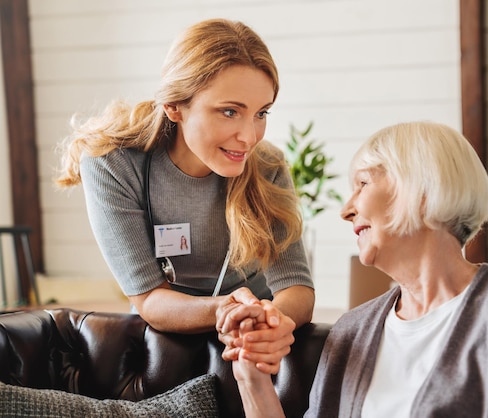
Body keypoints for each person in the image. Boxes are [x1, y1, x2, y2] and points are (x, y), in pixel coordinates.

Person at [230, 121, 488, 417]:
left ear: (422, 188)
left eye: (362, 184)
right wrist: (251, 377)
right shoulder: (352, 330)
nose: (346, 210)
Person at [55, 18, 315, 368]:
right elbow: (150, 298)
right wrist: (226, 309)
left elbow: (295, 287)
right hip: (162, 346)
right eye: (229, 111)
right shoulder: (112, 164)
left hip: (251, 340)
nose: (249, 136)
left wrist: (272, 323)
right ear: (175, 106)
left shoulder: (266, 165)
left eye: (261, 113)